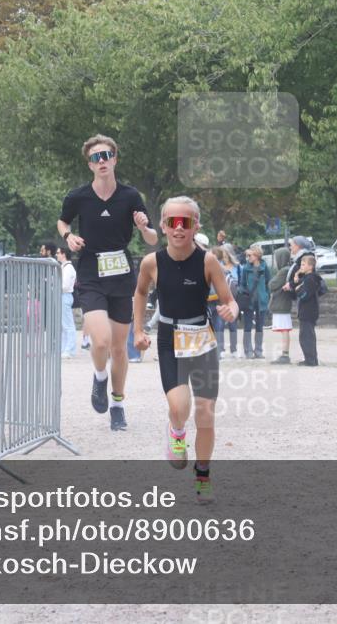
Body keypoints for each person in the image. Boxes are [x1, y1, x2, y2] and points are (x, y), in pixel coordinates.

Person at [132, 196, 236, 504]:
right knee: (179, 407)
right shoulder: (152, 262)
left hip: (201, 339)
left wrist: (232, 309)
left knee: (205, 413)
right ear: (162, 226)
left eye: (186, 223)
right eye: (173, 223)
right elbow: (139, 294)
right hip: (169, 337)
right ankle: (176, 432)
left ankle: (202, 474)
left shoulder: (208, 261)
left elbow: (228, 299)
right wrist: (138, 330)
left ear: (196, 227)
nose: (179, 229)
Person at [57, 134, 158, 430]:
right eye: (95, 158)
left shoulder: (130, 196)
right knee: (99, 341)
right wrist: (68, 236)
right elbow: (63, 221)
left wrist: (143, 227)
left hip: (121, 273)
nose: (101, 162)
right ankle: (99, 376)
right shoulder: (78, 196)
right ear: (89, 164)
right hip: (90, 271)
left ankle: (117, 404)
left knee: (119, 348)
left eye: (106, 156)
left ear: (114, 159)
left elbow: (153, 238)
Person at [238, 245, 270, 359]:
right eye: (247, 255)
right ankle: (248, 351)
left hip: (261, 301)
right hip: (249, 301)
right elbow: (241, 284)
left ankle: (258, 350)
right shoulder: (246, 268)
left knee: (260, 326)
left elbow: (267, 282)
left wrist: (266, 297)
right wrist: (244, 292)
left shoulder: (264, 266)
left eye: (250, 255)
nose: (248, 258)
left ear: (257, 255)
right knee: (247, 326)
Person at [290, 253, 321, 366]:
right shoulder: (306, 278)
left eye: (303, 265)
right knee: (306, 335)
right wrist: (296, 280)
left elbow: (305, 295)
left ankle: (310, 360)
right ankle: (311, 358)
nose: (301, 267)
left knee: (306, 337)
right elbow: (298, 288)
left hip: (308, 311)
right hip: (307, 310)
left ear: (310, 267)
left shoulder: (311, 279)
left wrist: (298, 289)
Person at [210, 246, 240, 359]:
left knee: (218, 326)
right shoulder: (206, 266)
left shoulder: (221, 268)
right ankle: (215, 351)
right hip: (208, 301)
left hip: (219, 300)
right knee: (213, 327)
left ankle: (219, 351)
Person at [268, 247, 293, 364]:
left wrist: (273, 279)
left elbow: (272, 285)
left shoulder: (284, 271)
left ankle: (285, 354)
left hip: (281, 303)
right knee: (284, 329)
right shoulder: (287, 269)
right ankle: (284, 353)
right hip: (283, 303)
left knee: (284, 330)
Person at [57, 246, 78, 358]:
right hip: (62, 296)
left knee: (68, 325)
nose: (57, 255)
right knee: (63, 324)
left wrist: (53, 284)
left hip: (65, 295)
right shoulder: (63, 267)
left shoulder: (68, 268)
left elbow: (64, 286)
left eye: (58, 253)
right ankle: (65, 348)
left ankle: (69, 350)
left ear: (64, 254)